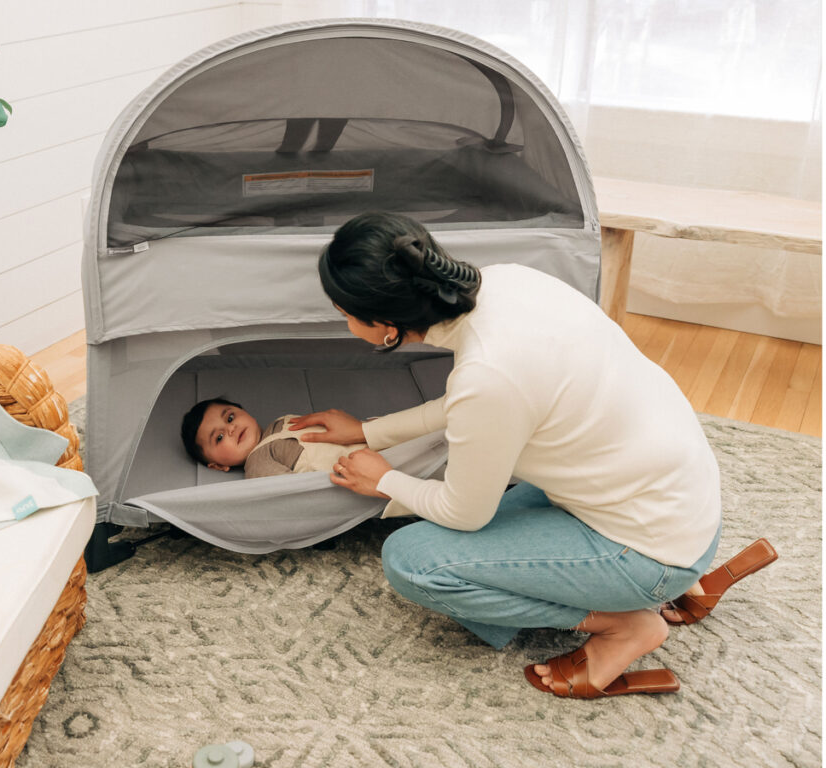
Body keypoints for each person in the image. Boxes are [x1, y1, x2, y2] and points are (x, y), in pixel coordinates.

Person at [289, 211, 777, 699]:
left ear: (387, 326)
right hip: (683, 504)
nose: (346, 323)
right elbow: (475, 402)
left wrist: (385, 480)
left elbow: (465, 512)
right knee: (498, 486)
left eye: (345, 314)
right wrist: (369, 432)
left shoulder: (487, 376)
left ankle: (623, 624)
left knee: (412, 560)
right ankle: (671, 586)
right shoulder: (511, 281)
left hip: (651, 552)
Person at [180, 398, 366, 479]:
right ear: (219, 466)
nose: (231, 428)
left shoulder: (280, 421)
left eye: (230, 417)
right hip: (358, 464)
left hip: (365, 432)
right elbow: (293, 493)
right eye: (219, 437)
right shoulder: (257, 464)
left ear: (244, 411)